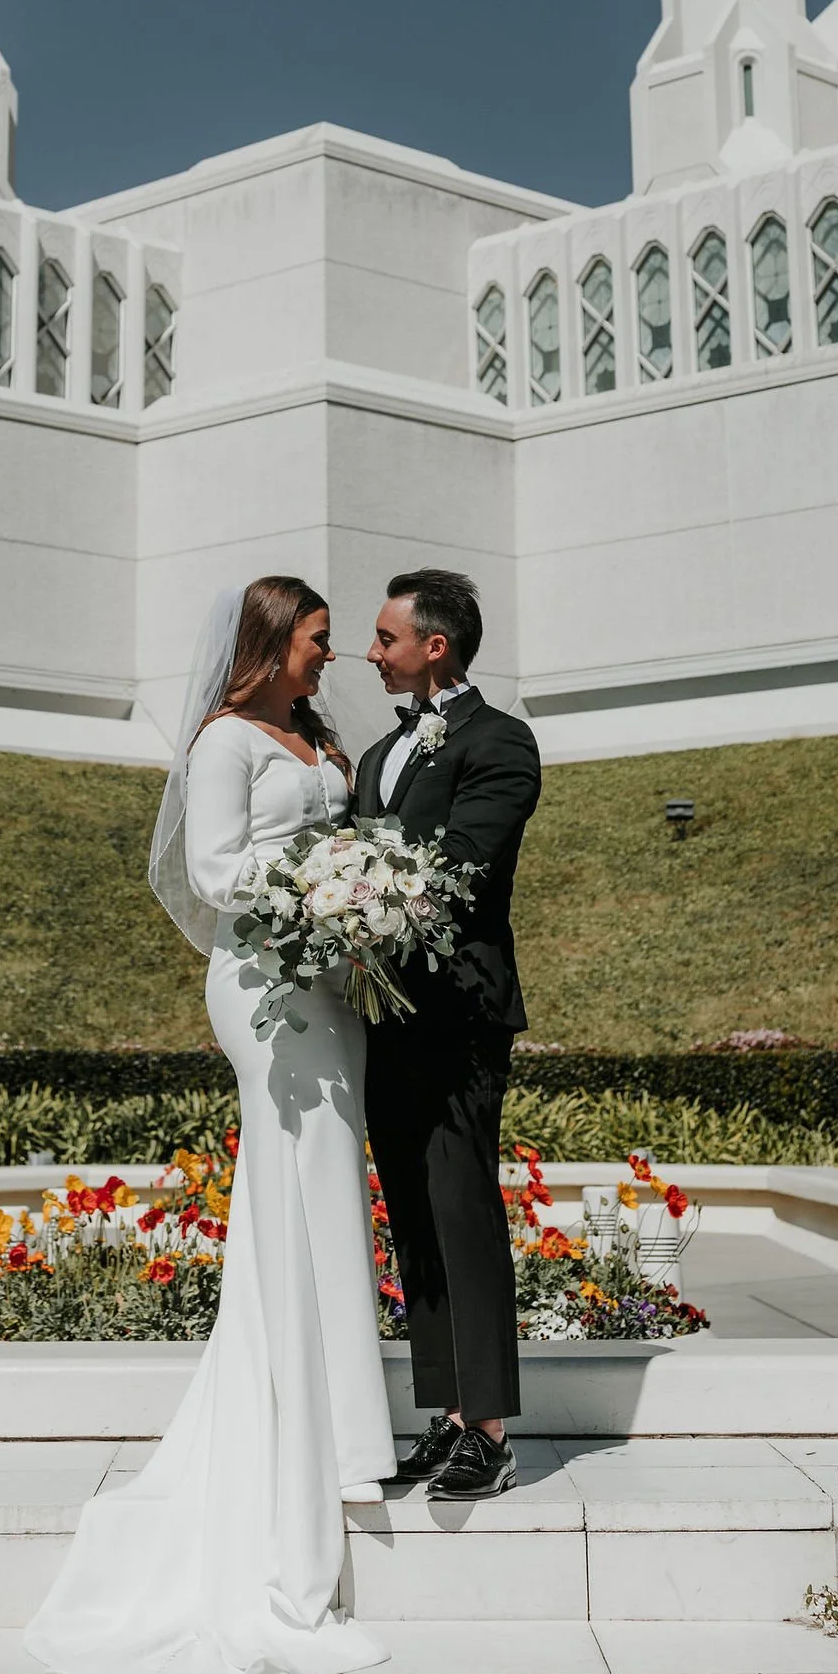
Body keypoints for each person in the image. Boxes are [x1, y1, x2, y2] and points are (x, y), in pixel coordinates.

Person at [23, 576, 394, 1674]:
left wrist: (366, 891)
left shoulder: (312, 736)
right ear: (274, 642)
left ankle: (341, 1419)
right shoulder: (225, 742)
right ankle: (306, 1428)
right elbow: (212, 870)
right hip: (265, 985)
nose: (332, 658)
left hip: (331, 981)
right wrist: (328, 887)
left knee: (329, 1185)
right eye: (320, 641)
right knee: (301, 1182)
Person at [359, 567, 542, 1499]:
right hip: (380, 1013)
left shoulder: (502, 743)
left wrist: (355, 882)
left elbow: (464, 862)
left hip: (462, 1012)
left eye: (386, 638)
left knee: (461, 1203)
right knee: (410, 1209)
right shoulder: (373, 755)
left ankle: (492, 1430)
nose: (370, 651)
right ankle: (445, 1415)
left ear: (436, 646)